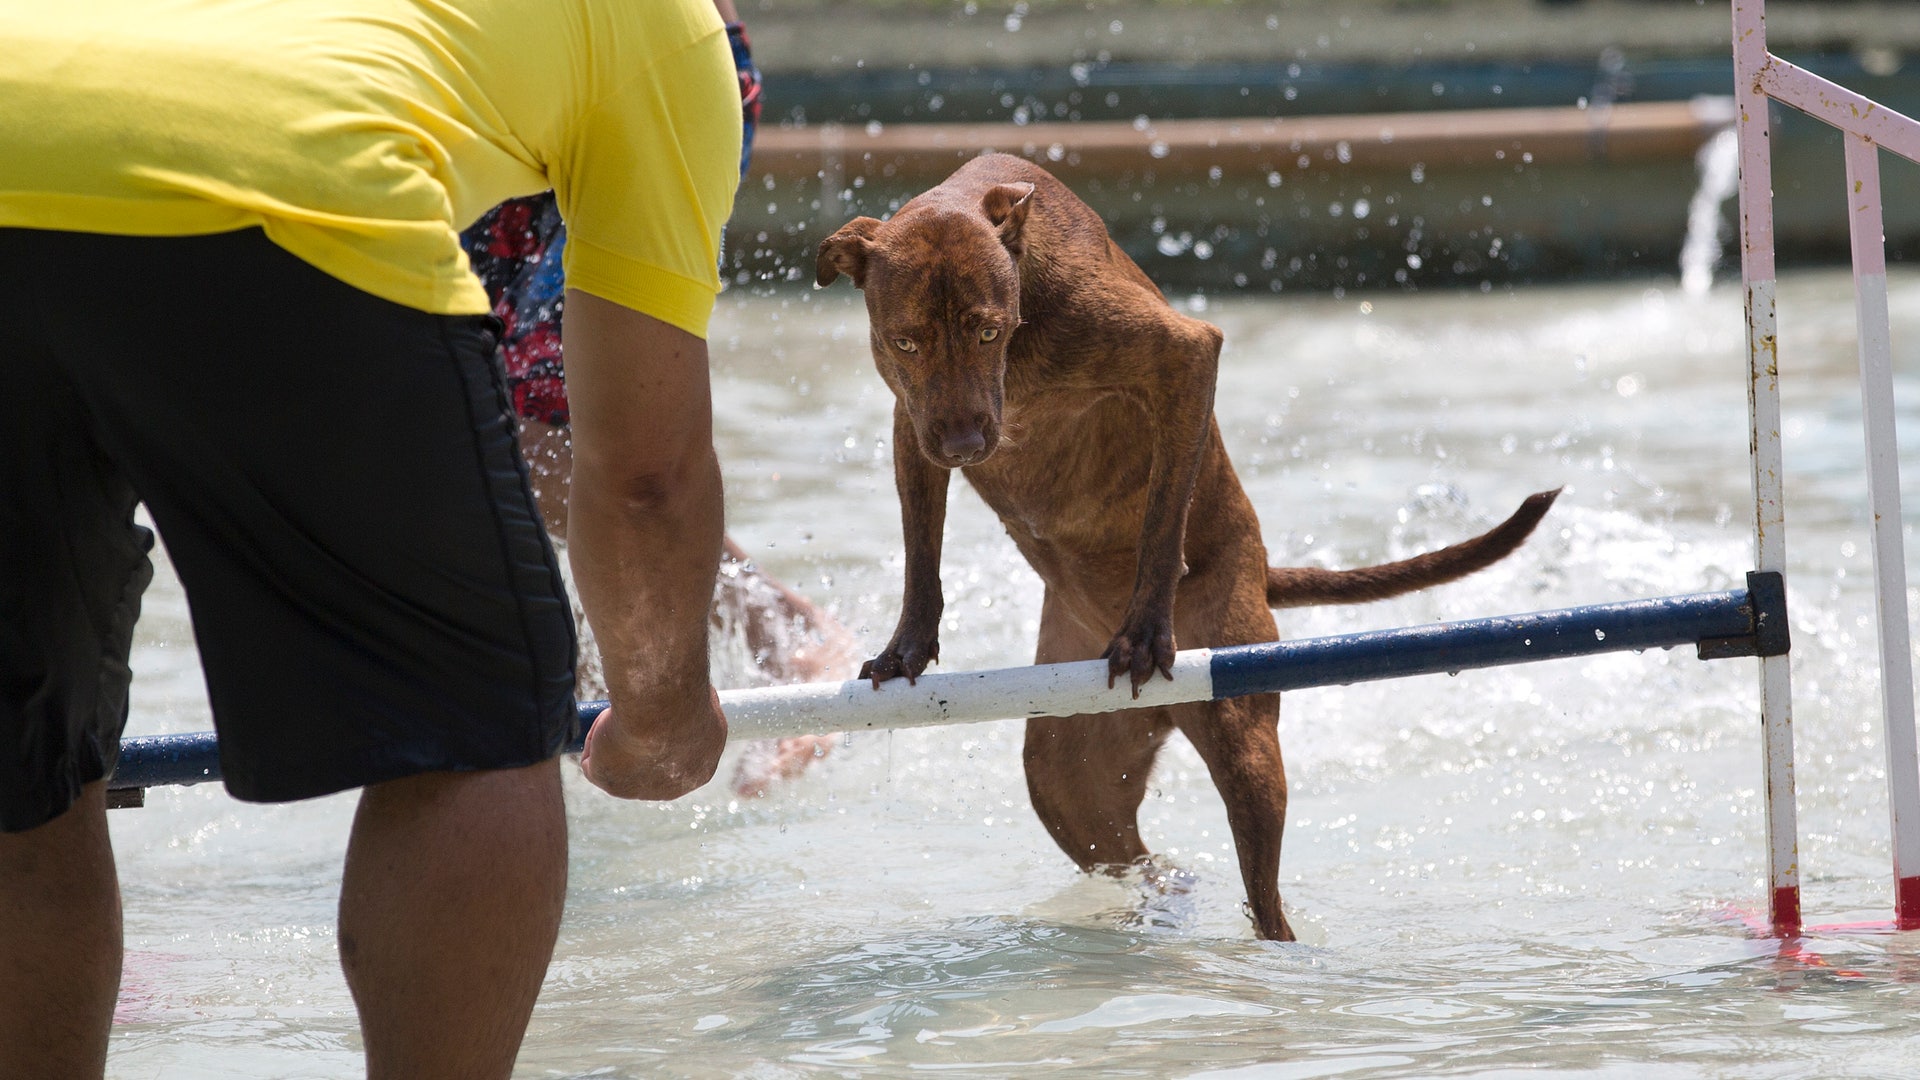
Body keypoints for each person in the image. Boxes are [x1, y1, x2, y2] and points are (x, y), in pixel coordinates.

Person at [0, 0, 741, 1075]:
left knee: (22, 752)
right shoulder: (666, 26)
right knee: (473, 727)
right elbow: (643, 476)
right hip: (282, 184)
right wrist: (661, 713)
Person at [459, 16, 849, 794]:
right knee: (469, 399)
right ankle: (648, 641)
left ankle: (765, 627)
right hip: (479, 82)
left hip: (632, 65)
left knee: (531, 425)